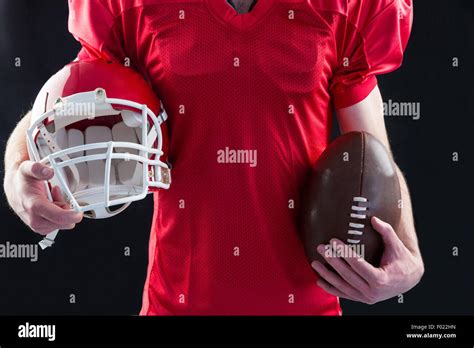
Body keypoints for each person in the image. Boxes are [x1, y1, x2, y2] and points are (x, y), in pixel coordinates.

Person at [3, 0, 424, 315]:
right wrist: (16, 170)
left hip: (308, 302)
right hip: (178, 300)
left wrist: (409, 255)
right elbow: (74, 92)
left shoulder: (344, 6)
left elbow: (371, 153)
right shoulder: (134, 7)